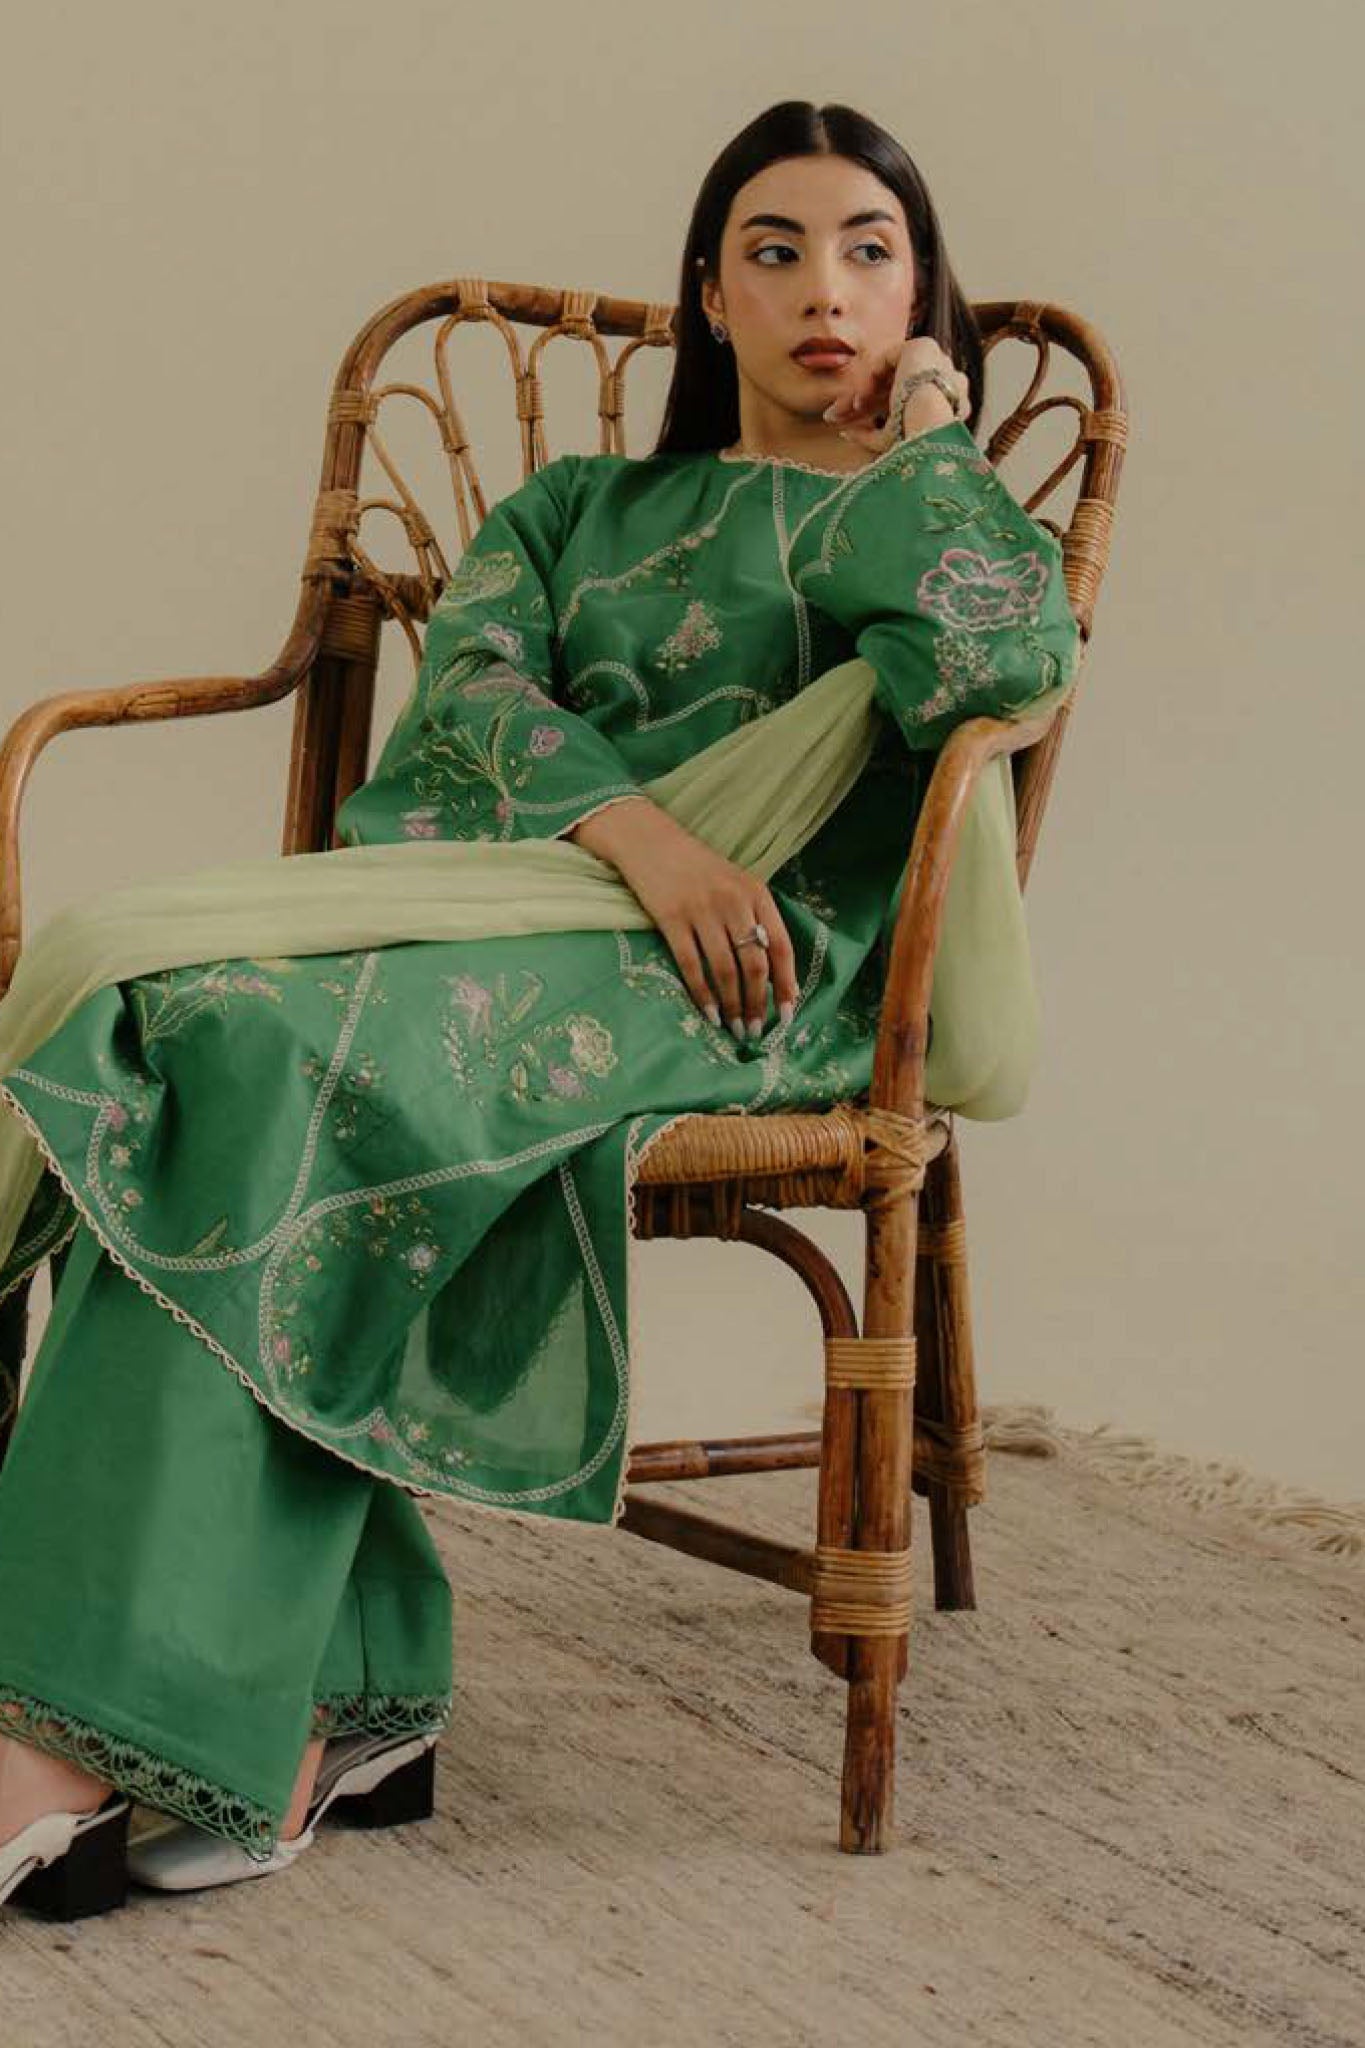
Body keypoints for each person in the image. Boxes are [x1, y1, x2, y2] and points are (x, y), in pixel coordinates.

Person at [0, 98, 1080, 1917]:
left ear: (923, 297)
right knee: (182, 1032)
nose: (824, 291)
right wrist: (648, 844)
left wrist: (929, 439)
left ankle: (81, 1731)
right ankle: (326, 1699)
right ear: (709, 295)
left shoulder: (918, 514)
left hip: (763, 979)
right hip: (533, 905)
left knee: (274, 1055)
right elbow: (474, 700)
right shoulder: (584, 507)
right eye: (774, 252)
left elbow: (1007, 662)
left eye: (870, 253)